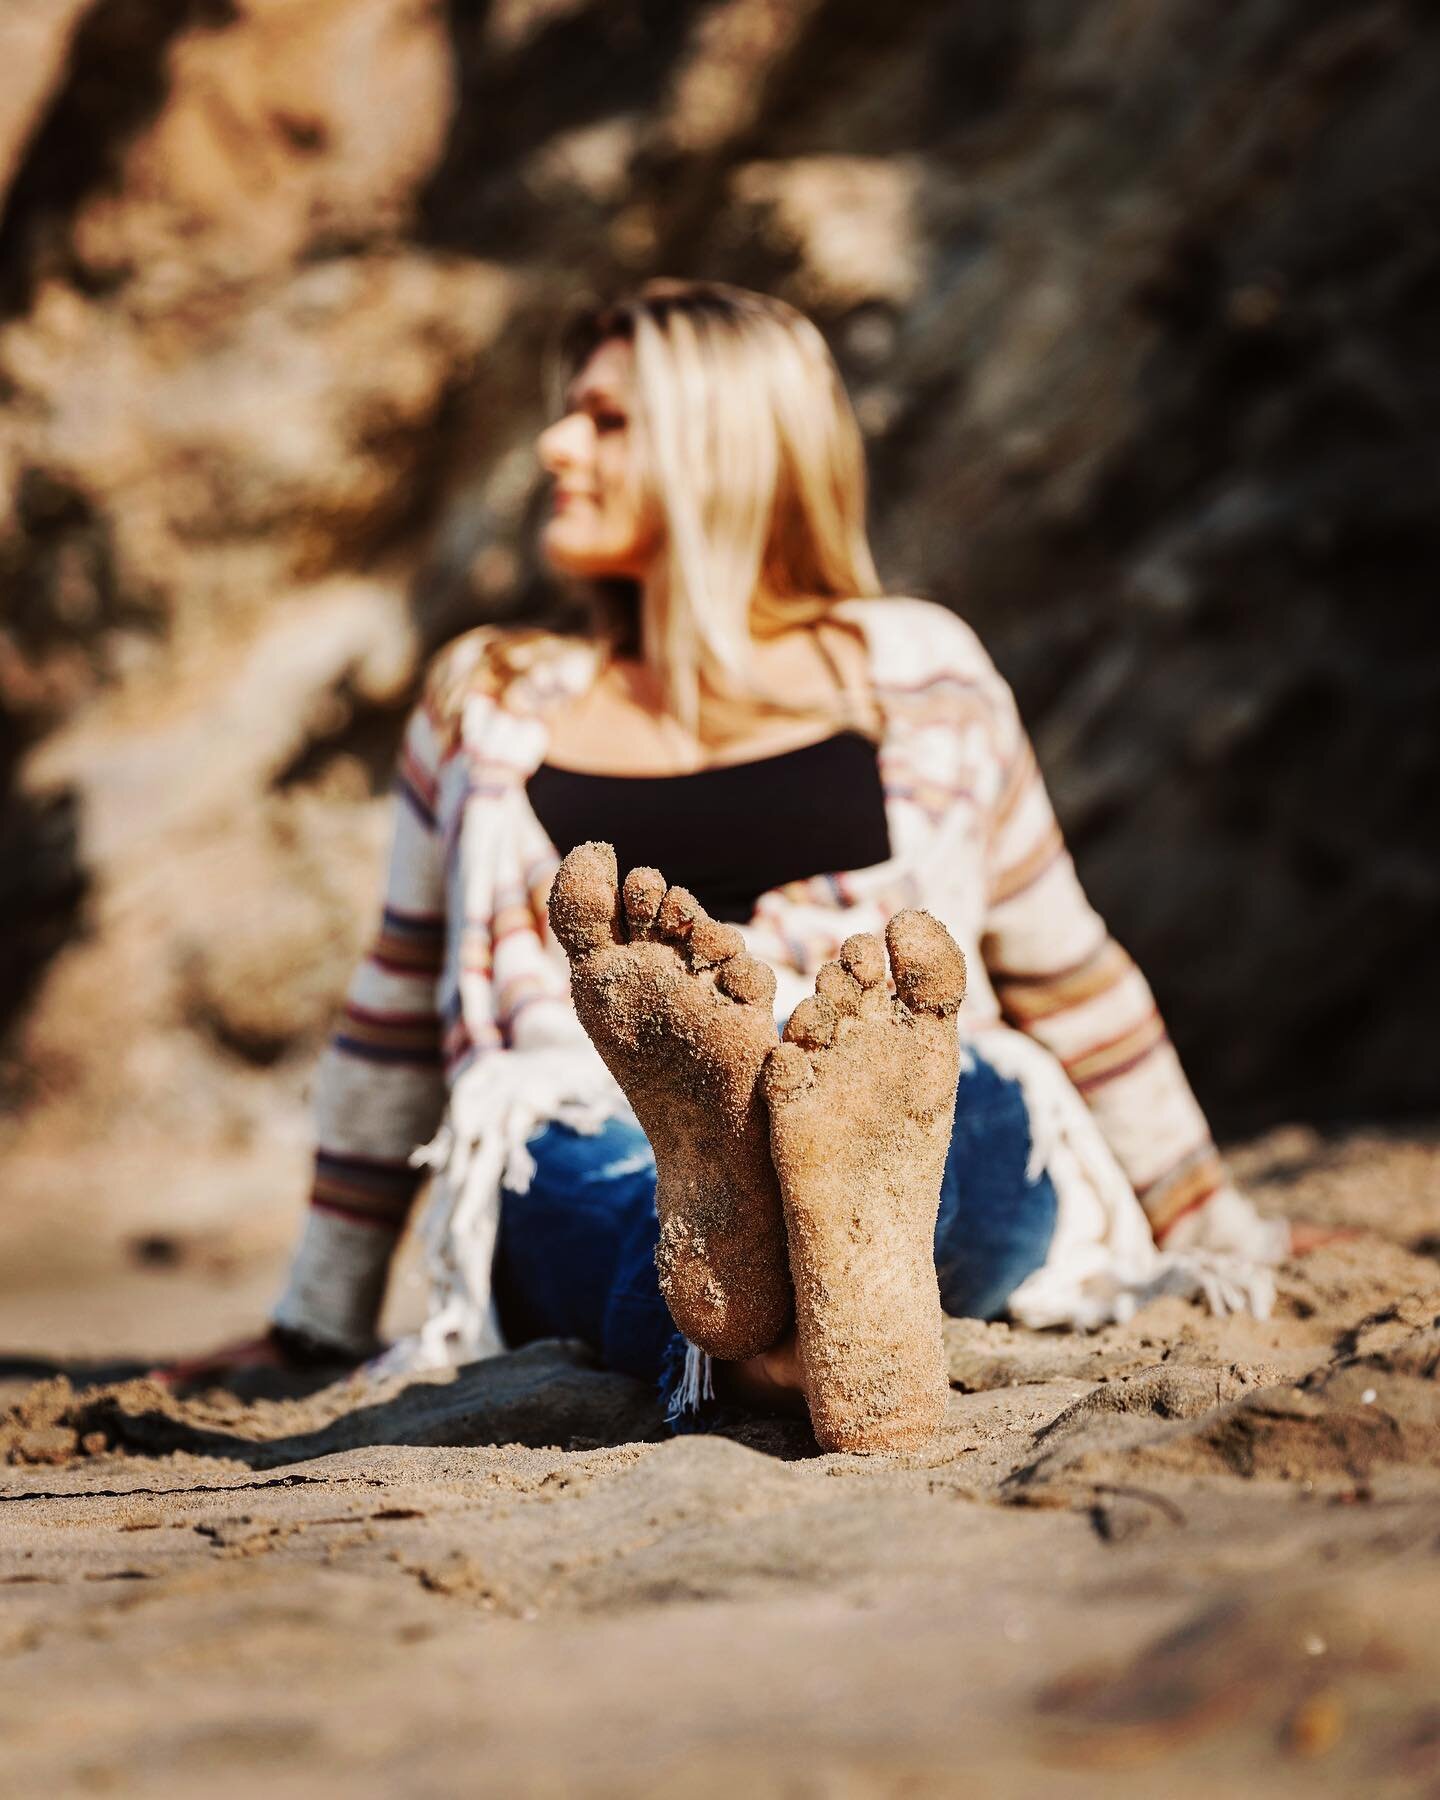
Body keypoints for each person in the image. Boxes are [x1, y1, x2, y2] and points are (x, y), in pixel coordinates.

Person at [167, 279, 1299, 1452]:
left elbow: (1066, 971)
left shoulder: (919, 673)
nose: (555, 446)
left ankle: (767, 1314)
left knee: (933, 1124)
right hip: (581, 1108)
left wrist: (1211, 1216)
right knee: (602, 1181)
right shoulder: (490, 700)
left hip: (922, 1090)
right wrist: (311, 1322)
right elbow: (398, 1010)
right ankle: (809, 1297)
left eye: (605, 420)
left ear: (728, 442)